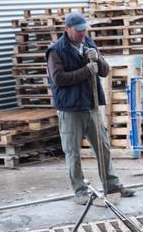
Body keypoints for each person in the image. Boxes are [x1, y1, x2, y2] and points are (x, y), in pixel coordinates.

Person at [46, 11, 135, 205]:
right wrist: (85, 71)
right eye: (78, 31)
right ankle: (80, 191)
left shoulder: (88, 44)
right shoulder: (56, 51)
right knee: (73, 152)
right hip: (70, 110)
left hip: (91, 106)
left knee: (103, 148)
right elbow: (58, 79)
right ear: (67, 29)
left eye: (84, 30)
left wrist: (98, 60)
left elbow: (104, 71)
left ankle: (111, 185)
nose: (82, 34)